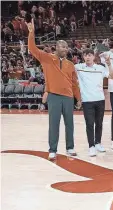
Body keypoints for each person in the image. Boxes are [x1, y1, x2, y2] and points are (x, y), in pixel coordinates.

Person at [27, 19, 81, 161]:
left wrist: (78, 98)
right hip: (54, 96)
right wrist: (31, 33)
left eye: (66, 47)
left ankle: (70, 147)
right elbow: (32, 49)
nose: (65, 48)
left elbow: (74, 83)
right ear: (56, 47)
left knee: (69, 123)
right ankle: (52, 150)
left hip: (68, 97)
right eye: (62, 46)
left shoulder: (70, 65)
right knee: (54, 124)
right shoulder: (47, 58)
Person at [75, 48, 113, 157]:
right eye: (85, 55)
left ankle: (98, 143)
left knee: (99, 123)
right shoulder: (78, 67)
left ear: (94, 57)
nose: (87, 57)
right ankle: (91, 146)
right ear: (83, 57)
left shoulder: (100, 68)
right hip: (87, 101)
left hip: (100, 100)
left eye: (89, 55)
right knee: (89, 124)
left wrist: (109, 64)